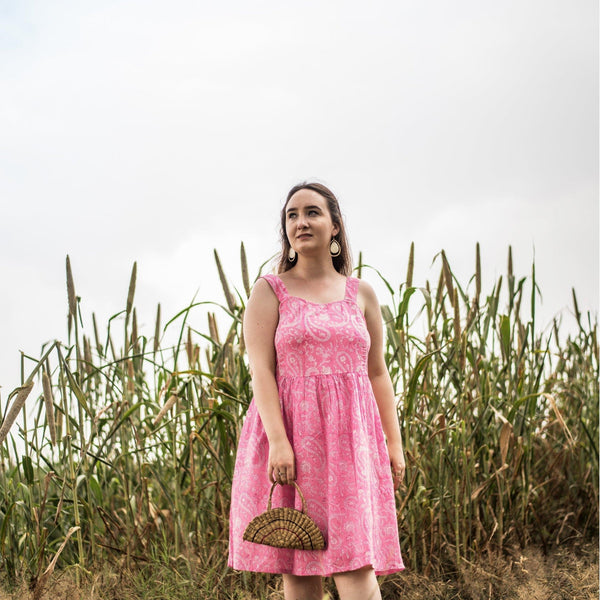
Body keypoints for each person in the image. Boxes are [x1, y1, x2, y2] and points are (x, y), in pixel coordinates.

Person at [228, 181, 405, 600]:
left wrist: (393, 442)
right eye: (292, 215)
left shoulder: (361, 293)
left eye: (312, 212)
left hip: (352, 444)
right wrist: (278, 442)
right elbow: (261, 371)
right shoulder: (270, 290)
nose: (300, 222)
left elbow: (377, 372)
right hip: (292, 438)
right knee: (300, 568)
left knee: (355, 565)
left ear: (335, 227)